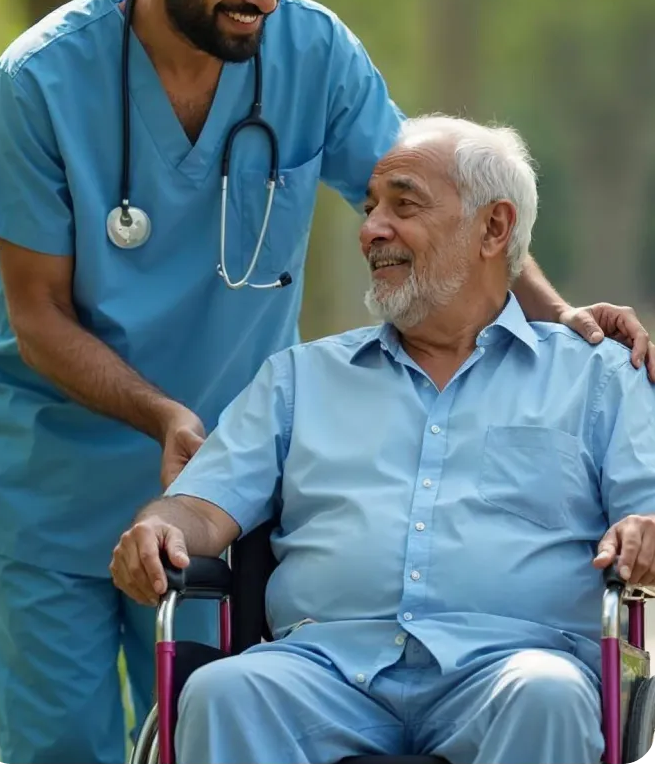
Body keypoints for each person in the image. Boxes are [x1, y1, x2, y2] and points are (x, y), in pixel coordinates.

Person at [0, 0, 651, 765]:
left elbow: (441, 202)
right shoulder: (40, 81)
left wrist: (557, 319)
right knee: (65, 746)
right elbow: (36, 314)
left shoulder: (310, 52)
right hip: (59, 465)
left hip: (222, 470)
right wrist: (168, 416)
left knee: (202, 699)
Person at [112, 115, 655, 765]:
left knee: (547, 694)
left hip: (515, 665)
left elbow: (647, 512)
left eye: (404, 204)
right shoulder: (299, 377)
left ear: (494, 226)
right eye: (370, 209)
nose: (371, 229)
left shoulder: (597, 377)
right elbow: (200, 506)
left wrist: (645, 529)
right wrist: (157, 526)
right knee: (224, 689)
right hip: (322, 667)